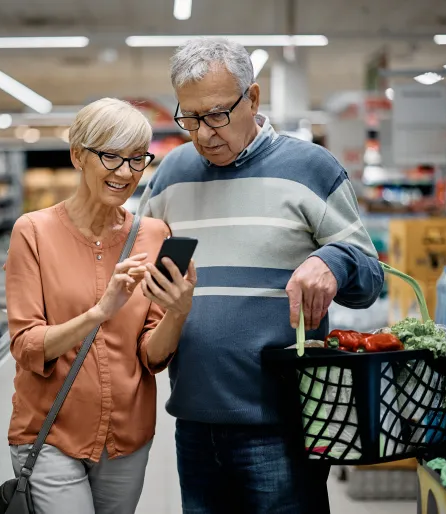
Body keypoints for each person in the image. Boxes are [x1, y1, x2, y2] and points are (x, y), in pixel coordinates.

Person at [137, 38, 384, 513]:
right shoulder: (170, 175)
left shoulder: (311, 168)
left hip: (283, 426)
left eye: (216, 114)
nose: (203, 133)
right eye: (189, 118)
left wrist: (333, 261)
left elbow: (370, 276)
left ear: (252, 98)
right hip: (194, 422)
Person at [3, 97, 196, 514]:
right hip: (51, 432)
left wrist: (179, 311)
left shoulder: (154, 234)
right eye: (111, 156)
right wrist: (98, 313)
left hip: (127, 436)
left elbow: (151, 354)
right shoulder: (33, 233)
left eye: (136, 159)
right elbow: (26, 344)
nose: (125, 173)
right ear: (78, 155)